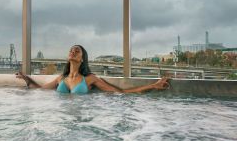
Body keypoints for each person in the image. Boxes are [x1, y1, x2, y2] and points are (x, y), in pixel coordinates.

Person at [16, 45, 170, 94]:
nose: (73, 51)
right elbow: (40, 90)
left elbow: (119, 93)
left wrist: (152, 85)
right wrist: (27, 79)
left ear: (82, 58)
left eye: (77, 51)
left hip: (82, 122)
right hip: (61, 119)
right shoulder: (60, 79)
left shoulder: (90, 79)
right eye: (71, 50)